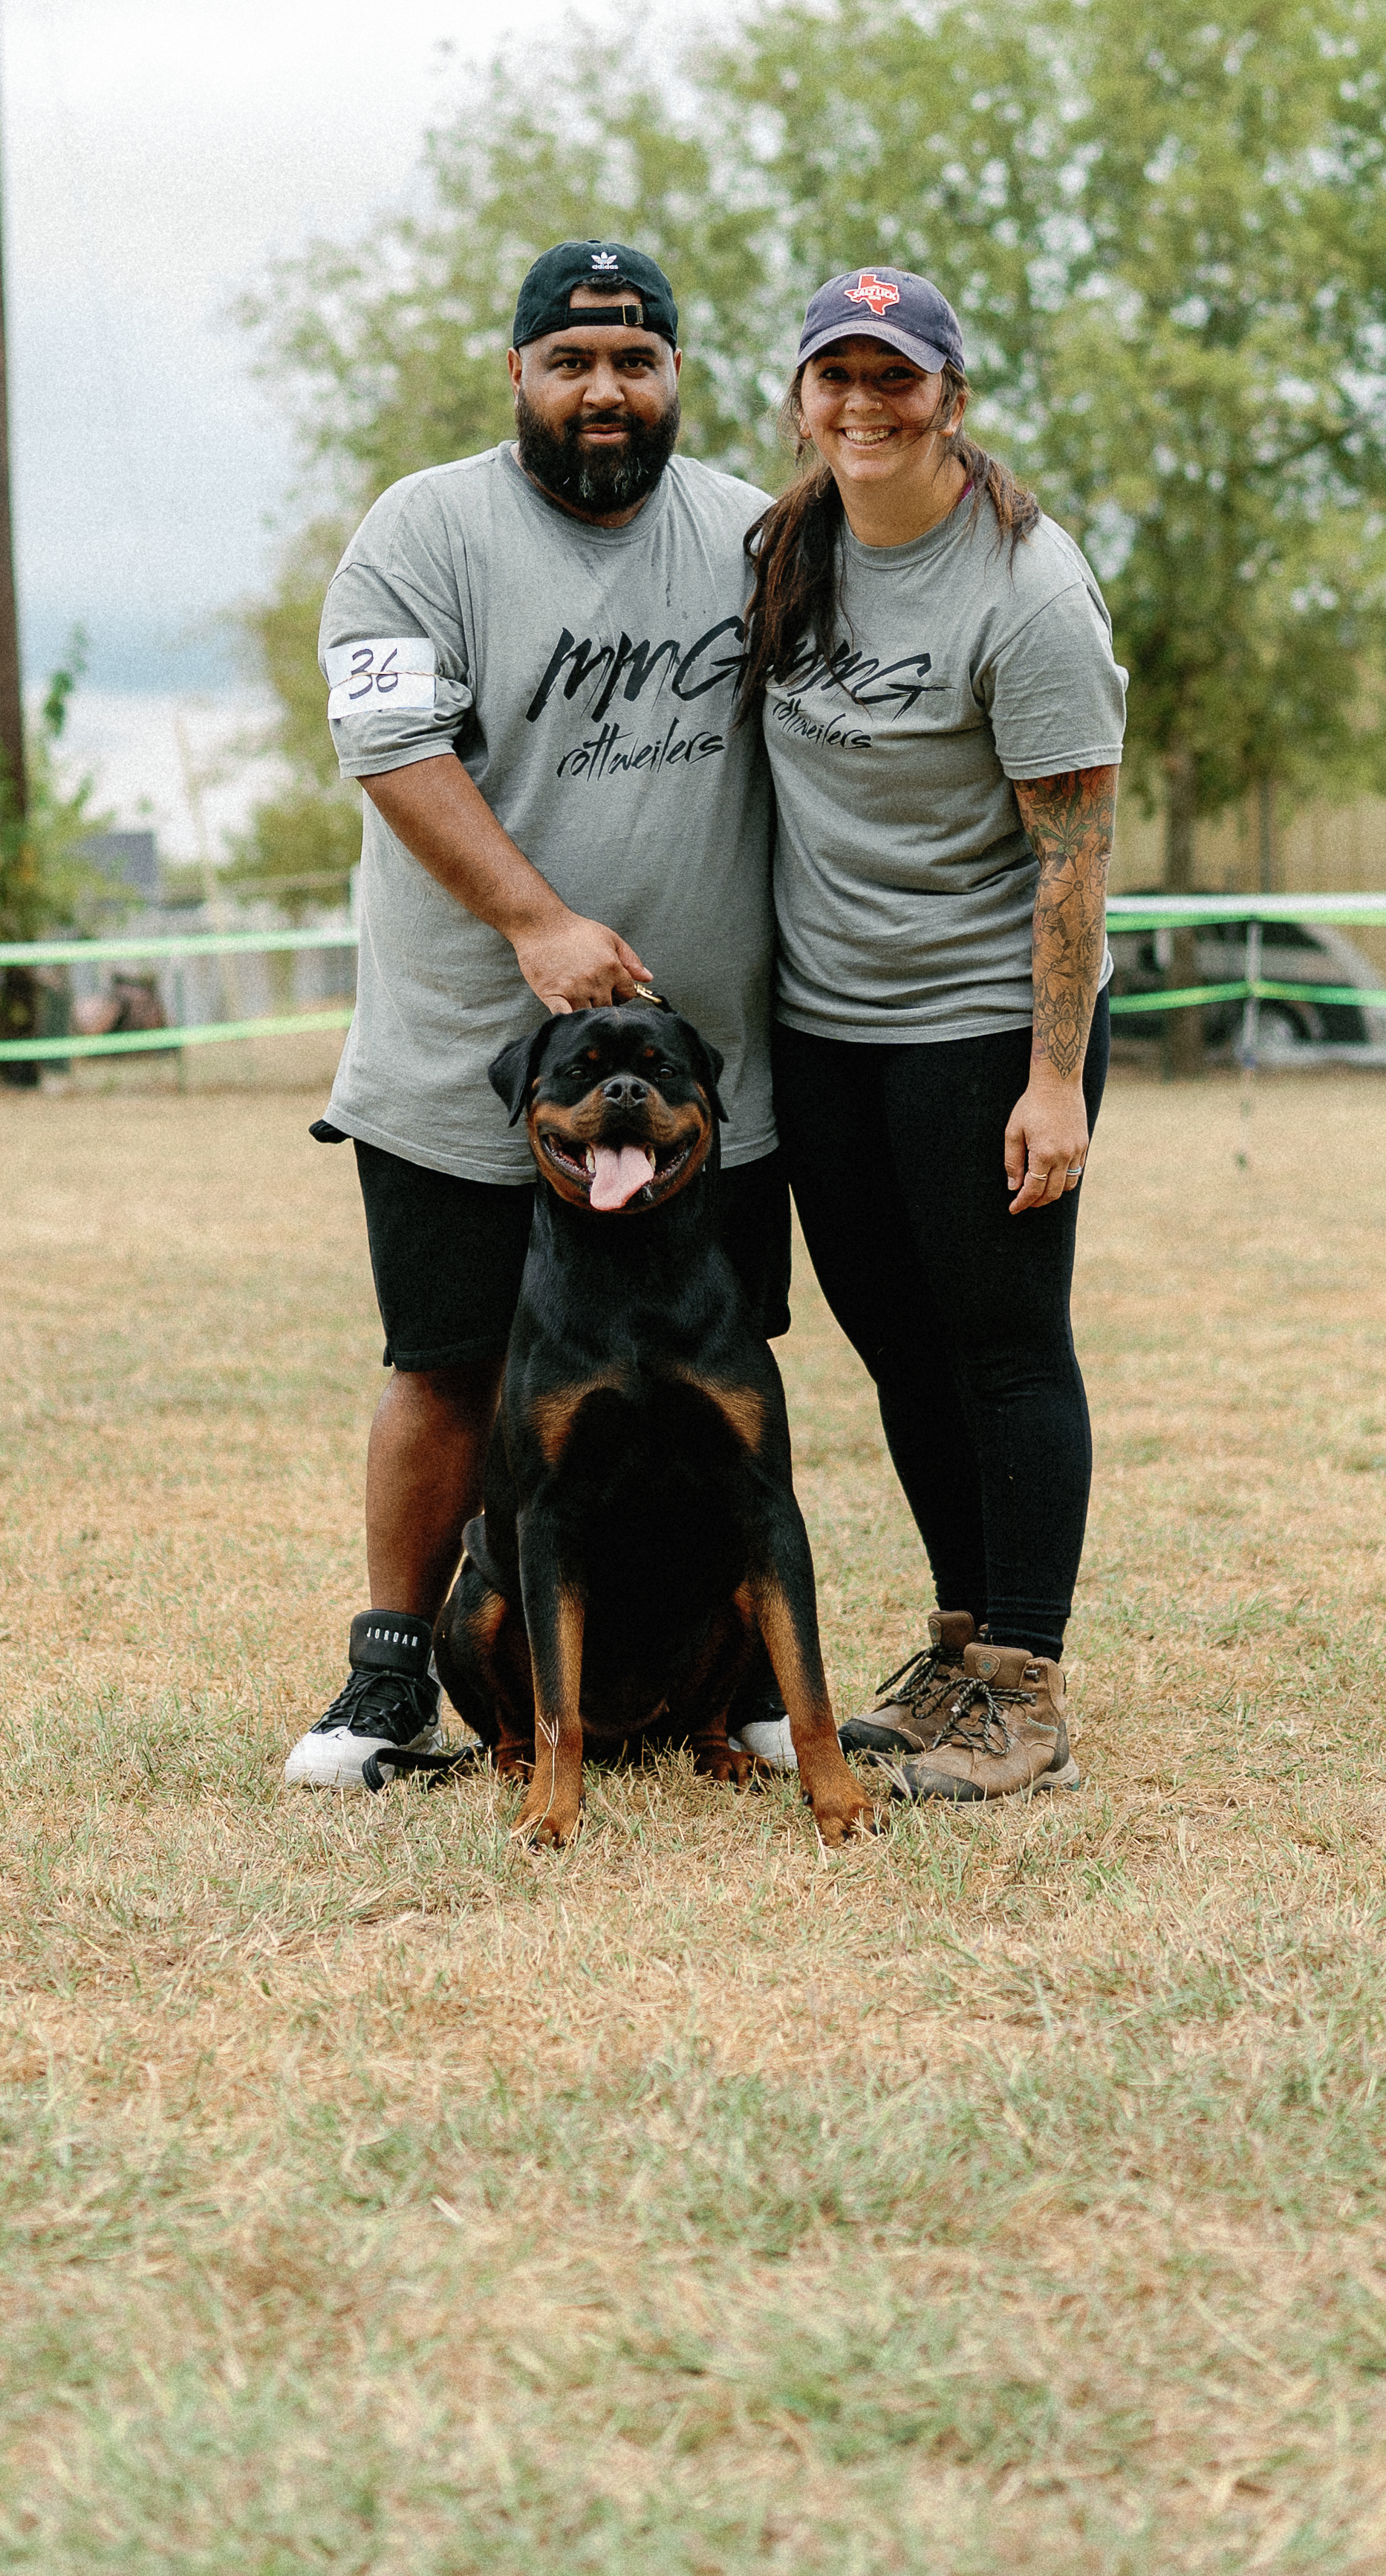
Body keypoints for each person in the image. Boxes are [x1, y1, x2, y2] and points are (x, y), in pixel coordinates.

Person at [284, 239, 792, 1791]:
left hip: (703, 1078)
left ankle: (742, 1679)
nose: (602, 389)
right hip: (465, 1059)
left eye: (634, 361)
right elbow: (385, 739)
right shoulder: (417, 533)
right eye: (568, 360)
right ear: (516, 373)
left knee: (721, 1367)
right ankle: (388, 1678)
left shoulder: (759, 536)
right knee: (447, 1364)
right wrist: (534, 920)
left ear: (676, 378)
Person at [737, 267, 1125, 1804]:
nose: (861, 402)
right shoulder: (789, 550)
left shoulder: (1025, 588)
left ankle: (1023, 1685)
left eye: (892, 376)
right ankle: (959, 1642)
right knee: (895, 1337)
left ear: (950, 399)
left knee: (1004, 1343)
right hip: (828, 1023)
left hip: (984, 1019)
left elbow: (1074, 858)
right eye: (833, 375)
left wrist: (1051, 1078)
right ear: (801, 400)